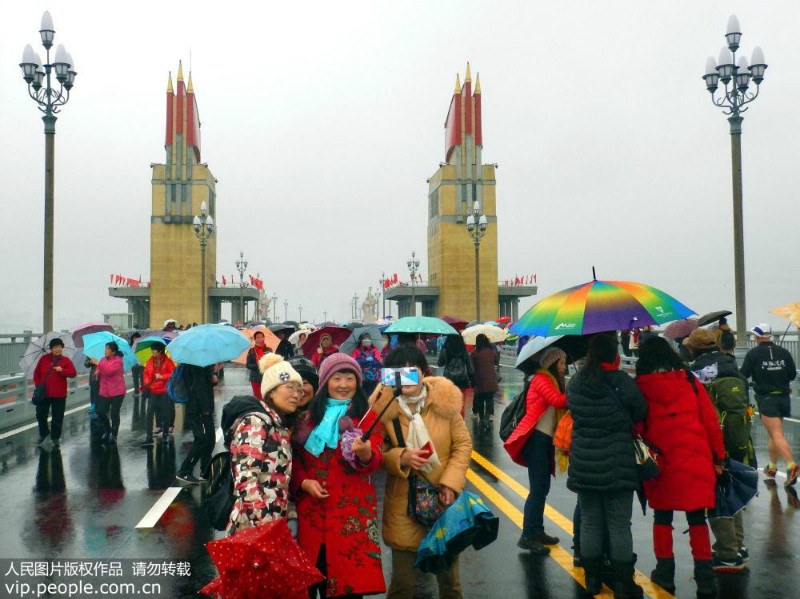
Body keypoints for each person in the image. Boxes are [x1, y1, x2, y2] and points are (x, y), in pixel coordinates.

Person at [372, 345, 472, 598]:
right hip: (403, 505)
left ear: (423, 372)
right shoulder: (382, 409)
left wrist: (450, 483)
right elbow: (376, 453)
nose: (405, 378)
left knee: (450, 584)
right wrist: (400, 457)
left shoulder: (444, 404)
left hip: (443, 502)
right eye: (398, 372)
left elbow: (462, 445)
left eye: (411, 371)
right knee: (403, 585)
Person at [635, 338, 725, 598]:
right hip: (695, 456)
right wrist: (718, 457)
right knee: (697, 519)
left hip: (660, 461)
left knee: (662, 518)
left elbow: (638, 429)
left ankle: (664, 573)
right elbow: (710, 421)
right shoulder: (690, 382)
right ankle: (705, 578)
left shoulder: (641, 386)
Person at [291, 354, 385, 598]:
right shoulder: (308, 418)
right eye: (337, 378)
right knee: (311, 581)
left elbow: (375, 459)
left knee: (347, 587)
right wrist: (303, 481)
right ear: (325, 383)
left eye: (350, 378)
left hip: (351, 517)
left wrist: (365, 454)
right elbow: (295, 459)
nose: (344, 384)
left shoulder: (367, 417)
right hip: (311, 514)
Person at [567, 334, 647, 598]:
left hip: (585, 461)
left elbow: (573, 411)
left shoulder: (576, 382)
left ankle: (592, 580)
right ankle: (623, 584)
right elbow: (640, 411)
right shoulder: (621, 382)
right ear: (615, 356)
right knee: (619, 524)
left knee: (590, 521)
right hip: (618, 462)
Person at [686, 328, 752, 572]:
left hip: (714, 442)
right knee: (732, 491)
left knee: (717, 495)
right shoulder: (732, 365)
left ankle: (726, 553)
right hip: (737, 438)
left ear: (693, 348)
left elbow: (700, 412)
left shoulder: (696, 373)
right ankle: (738, 545)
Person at [227, 354, 302, 535]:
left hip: (271, 523)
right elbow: (246, 480)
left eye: (299, 390)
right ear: (271, 392)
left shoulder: (278, 424)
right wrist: (266, 525)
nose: (296, 394)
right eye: (289, 387)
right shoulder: (256, 422)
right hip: (253, 528)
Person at [503, 346, 568, 555]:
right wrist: (576, 390)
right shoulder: (542, 379)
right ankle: (528, 536)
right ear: (551, 363)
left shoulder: (551, 380)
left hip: (544, 440)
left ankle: (537, 530)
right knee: (538, 489)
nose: (564, 367)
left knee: (543, 488)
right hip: (536, 440)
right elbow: (558, 401)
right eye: (561, 363)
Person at [742, 323, 798, 486]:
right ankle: (772, 466)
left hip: (766, 398)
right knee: (774, 432)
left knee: (776, 433)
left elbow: (744, 374)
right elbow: (792, 374)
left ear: (757, 337)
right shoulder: (784, 352)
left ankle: (791, 465)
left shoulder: (753, 354)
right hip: (783, 398)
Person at [176, 364, 217, 484]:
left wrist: (212, 380)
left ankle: (205, 471)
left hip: (203, 407)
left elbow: (203, 383)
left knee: (209, 438)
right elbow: (199, 386)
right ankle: (184, 471)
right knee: (202, 438)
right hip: (197, 408)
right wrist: (205, 408)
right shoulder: (196, 364)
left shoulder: (203, 363)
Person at [33, 338, 77, 448]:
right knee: (40, 414)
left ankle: (55, 437)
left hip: (59, 394)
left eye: (60, 347)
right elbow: (36, 374)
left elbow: (73, 373)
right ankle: (44, 433)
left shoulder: (66, 360)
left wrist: (62, 370)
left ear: (62, 348)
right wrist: (38, 385)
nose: (58, 349)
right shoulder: (43, 359)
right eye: (55, 347)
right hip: (44, 393)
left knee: (57, 417)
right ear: (51, 349)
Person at [141, 342, 175, 447]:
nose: (152, 352)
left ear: (159, 350)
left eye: (154, 350)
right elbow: (145, 373)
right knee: (149, 414)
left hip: (164, 392)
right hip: (152, 391)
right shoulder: (150, 361)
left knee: (165, 413)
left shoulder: (168, 362)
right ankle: (149, 436)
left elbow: (173, 374)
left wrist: (162, 376)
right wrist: (147, 382)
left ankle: (165, 435)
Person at [92, 342, 127, 445]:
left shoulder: (118, 361)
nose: (105, 351)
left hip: (117, 392)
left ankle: (114, 434)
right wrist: (97, 371)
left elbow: (109, 371)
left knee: (114, 413)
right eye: (105, 348)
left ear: (113, 352)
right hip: (104, 391)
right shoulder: (103, 359)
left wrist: (98, 364)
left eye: (107, 349)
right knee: (100, 411)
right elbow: (101, 370)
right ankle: (108, 430)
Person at [437, 335, 473, 417]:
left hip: (448, 381)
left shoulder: (445, 349)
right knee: (461, 405)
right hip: (462, 380)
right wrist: (471, 379)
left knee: (448, 403)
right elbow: (470, 368)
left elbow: (440, 363)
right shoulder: (464, 351)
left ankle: (449, 424)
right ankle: (460, 424)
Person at [470, 334, 499, 429]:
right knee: (489, 399)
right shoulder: (491, 351)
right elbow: (496, 362)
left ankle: (482, 418)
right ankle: (486, 417)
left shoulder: (474, 353)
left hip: (479, 380)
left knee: (480, 400)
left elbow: (471, 367)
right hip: (491, 380)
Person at [351, 332, 383, 397]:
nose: (367, 340)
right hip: (362, 378)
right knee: (363, 395)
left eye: (368, 339)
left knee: (374, 395)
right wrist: (365, 360)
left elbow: (378, 362)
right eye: (365, 339)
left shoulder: (375, 350)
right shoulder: (356, 351)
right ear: (361, 340)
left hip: (375, 377)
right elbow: (354, 362)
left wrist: (373, 359)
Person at [245, 331, 271, 398]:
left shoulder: (269, 350)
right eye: (258, 337)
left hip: (266, 377)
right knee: (258, 397)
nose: (260, 339)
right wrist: (257, 365)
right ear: (255, 339)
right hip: (255, 377)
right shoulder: (252, 351)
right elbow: (248, 365)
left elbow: (272, 363)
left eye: (262, 337)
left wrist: (266, 364)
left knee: (266, 396)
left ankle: (266, 408)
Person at [129, 332, 144, 400]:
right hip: (134, 365)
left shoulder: (142, 345)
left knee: (142, 379)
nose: (135, 339)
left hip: (141, 364)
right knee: (135, 379)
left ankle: (144, 391)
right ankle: (136, 391)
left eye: (136, 338)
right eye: (133, 338)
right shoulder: (130, 345)